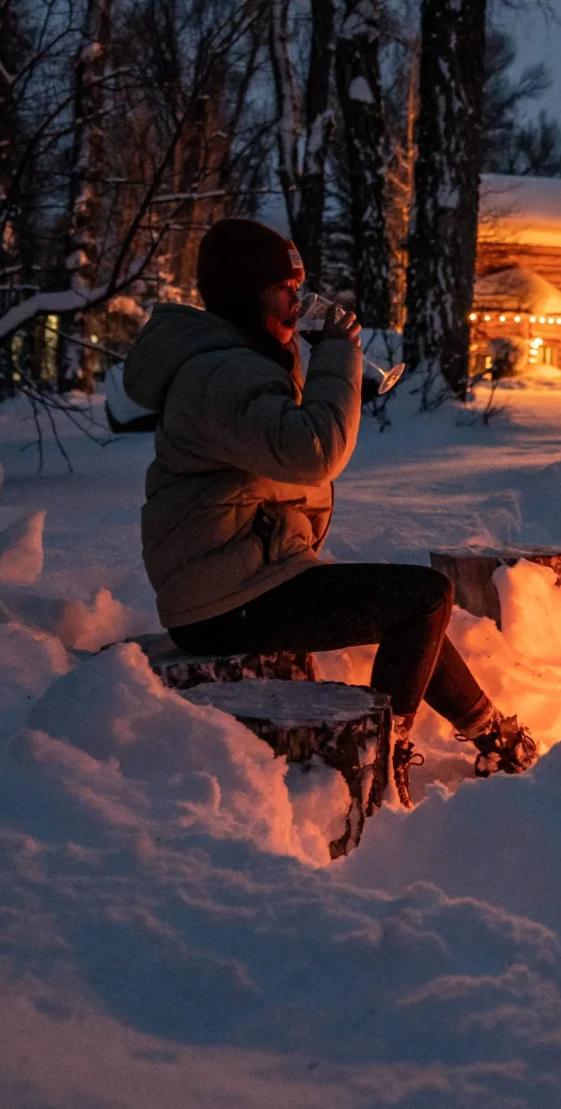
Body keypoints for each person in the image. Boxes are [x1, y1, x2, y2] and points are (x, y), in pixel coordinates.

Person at [123, 217, 536, 802]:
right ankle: (384, 759)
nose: (299, 303)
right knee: (420, 598)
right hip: (223, 602)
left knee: (413, 604)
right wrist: (338, 355)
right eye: (286, 289)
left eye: (300, 288)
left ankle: (491, 734)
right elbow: (314, 452)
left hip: (247, 579)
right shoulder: (218, 374)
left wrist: (330, 368)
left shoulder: (238, 362)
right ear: (245, 294)